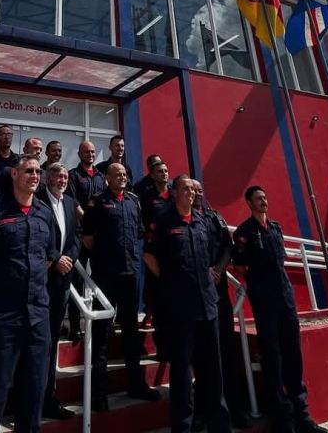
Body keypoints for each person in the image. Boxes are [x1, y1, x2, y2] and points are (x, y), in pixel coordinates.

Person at [0, 155, 55, 433]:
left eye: (38, 171)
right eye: (28, 171)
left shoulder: (44, 212)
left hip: (38, 314)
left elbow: (48, 257)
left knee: (35, 386)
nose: (34, 176)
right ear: (14, 174)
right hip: (3, 315)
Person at [232, 187, 328, 433]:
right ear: (248, 203)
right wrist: (260, 285)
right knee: (273, 359)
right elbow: (241, 268)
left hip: (286, 300)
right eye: (258, 199)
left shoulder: (274, 228)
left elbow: (280, 260)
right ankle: (283, 420)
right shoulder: (244, 233)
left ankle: (302, 416)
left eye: (265, 197)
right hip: (265, 303)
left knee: (293, 357)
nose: (264, 201)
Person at [144, 174, 232, 433]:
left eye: (193, 190)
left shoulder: (204, 221)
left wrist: (213, 271)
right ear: (173, 193)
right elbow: (149, 256)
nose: (191, 193)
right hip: (180, 309)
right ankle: (183, 427)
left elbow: (220, 249)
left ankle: (219, 425)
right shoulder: (162, 221)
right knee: (182, 372)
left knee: (213, 372)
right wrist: (171, 279)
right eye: (185, 189)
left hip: (208, 305)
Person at [83, 162, 160, 411]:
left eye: (125, 174)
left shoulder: (133, 201)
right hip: (106, 277)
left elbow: (138, 234)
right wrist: (105, 260)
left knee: (131, 334)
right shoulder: (97, 202)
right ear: (107, 177)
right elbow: (88, 238)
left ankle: (136, 384)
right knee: (102, 335)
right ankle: (98, 393)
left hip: (130, 275)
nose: (122, 177)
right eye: (117, 174)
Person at [193, 180, 252, 430]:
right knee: (202, 356)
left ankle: (235, 409)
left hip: (218, 295)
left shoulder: (215, 217)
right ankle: (203, 411)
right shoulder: (180, 218)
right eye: (191, 189)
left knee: (226, 353)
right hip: (195, 296)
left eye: (199, 190)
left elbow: (228, 247)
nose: (196, 193)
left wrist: (217, 270)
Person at [36, 163, 80, 420]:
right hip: (41, 277)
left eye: (65, 175)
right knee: (37, 341)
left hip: (62, 281)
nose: (62, 179)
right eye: (57, 175)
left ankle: (47, 396)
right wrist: (55, 257)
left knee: (52, 340)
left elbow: (76, 236)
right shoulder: (38, 200)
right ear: (47, 178)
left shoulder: (70, 202)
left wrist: (70, 258)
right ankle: (30, 394)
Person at [65, 140, 106, 341]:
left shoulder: (101, 177)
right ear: (79, 153)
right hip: (80, 235)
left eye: (92, 151)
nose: (90, 154)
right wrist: (89, 221)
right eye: (86, 151)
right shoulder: (73, 175)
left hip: (98, 236)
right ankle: (75, 326)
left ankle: (102, 323)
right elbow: (73, 202)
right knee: (77, 280)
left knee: (101, 276)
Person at [137, 156, 171, 331]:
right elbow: (140, 219)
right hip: (154, 248)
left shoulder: (174, 193)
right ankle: (149, 314)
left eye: (165, 171)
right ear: (152, 175)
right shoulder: (146, 196)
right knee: (153, 286)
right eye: (160, 171)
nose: (164, 174)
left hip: (173, 247)